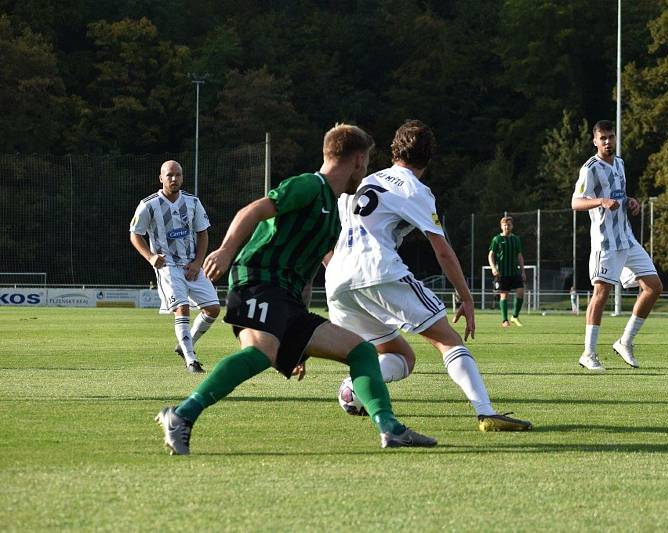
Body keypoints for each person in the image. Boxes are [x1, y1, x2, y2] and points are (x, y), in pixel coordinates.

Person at [154, 124, 437, 455]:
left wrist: (298, 338)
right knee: (261, 353)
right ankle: (182, 415)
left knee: (360, 352)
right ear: (358, 159)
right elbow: (254, 210)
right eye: (368, 160)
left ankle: (390, 428)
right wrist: (226, 250)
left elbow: (306, 272)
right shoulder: (309, 185)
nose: (367, 169)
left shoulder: (334, 213)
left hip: (286, 299)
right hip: (257, 280)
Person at [325, 120, 532, 432]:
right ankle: (485, 412)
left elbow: (328, 236)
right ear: (428, 157)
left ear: (394, 149)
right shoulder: (413, 188)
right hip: (377, 270)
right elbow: (443, 250)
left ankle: (354, 388)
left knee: (401, 356)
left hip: (338, 279)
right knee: (448, 340)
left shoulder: (362, 182)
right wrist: (466, 296)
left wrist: (339, 270)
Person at [571, 120, 663, 371]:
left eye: (611, 137)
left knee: (653, 287)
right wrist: (600, 201)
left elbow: (620, 195)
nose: (608, 142)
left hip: (627, 239)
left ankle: (625, 341)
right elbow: (576, 203)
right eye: (603, 138)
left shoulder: (620, 163)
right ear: (595, 141)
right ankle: (588, 354)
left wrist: (631, 202)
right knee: (601, 294)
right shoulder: (590, 168)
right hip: (606, 243)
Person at [130, 160, 220, 373]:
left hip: (192, 265)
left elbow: (203, 233)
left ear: (182, 177)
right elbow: (135, 234)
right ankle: (191, 361)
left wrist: (198, 263)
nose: (174, 179)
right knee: (182, 308)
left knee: (214, 309)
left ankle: (184, 345)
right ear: (161, 178)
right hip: (168, 266)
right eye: (169, 175)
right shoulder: (148, 205)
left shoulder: (193, 202)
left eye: (178, 175)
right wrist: (151, 257)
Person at [488, 216, 526, 327]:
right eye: (504, 225)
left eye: (508, 225)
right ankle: (505, 320)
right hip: (502, 273)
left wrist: (523, 271)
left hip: (515, 272)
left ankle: (514, 316)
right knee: (504, 295)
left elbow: (519, 256)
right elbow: (491, 254)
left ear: (512, 226)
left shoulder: (516, 239)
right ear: (501, 226)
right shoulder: (497, 239)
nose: (506, 227)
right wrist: (493, 268)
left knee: (520, 292)